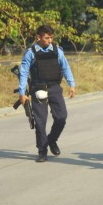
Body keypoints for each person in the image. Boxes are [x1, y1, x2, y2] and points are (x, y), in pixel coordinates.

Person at [18, 24, 76, 162]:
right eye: (46, 38)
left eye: (51, 38)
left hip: (55, 87)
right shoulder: (31, 52)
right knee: (40, 121)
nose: (49, 40)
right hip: (38, 89)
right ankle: (42, 151)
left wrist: (72, 84)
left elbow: (65, 67)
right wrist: (22, 92)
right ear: (38, 37)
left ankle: (51, 140)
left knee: (61, 117)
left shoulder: (57, 51)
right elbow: (24, 73)